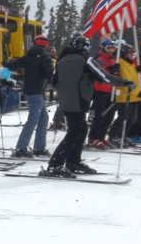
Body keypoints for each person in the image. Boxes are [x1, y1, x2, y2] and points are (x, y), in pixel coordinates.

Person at [42, 35, 130, 177]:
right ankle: (55, 165)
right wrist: (123, 82)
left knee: (81, 129)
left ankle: (73, 161)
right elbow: (103, 76)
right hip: (79, 100)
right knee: (75, 131)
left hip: (66, 101)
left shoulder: (62, 59)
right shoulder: (86, 60)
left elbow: (54, 81)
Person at [5, 35, 54, 157]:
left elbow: (14, 65)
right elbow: (49, 73)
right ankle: (21, 148)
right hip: (37, 91)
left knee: (43, 119)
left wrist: (6, 63)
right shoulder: (45, 57)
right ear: (45, 45)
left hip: (30, 90)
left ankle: (39, 147)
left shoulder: (29, 55)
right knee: (34, 119)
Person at [108, 42, 141, 147]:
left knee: (132, 119)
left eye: (133, 54)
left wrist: (139, 71)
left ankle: (123, 135)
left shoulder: (132, 65)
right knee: (123, 117)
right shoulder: (120, 63)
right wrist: (115, 70)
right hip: (124, 95)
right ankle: (114, 135)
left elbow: (135, 79)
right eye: (130, 53)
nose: (132, 56)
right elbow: (116, 76)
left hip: (134, 95)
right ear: (124, 54)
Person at [86, 38, 117, 148]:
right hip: (100, 90)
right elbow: (99, 72)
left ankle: (101, 137)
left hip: (110, 90)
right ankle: (93, 138)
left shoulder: (113, 59)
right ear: (103, 48)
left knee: (109, 116)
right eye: (109, 48)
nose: (111, 50)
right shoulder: (99, 58)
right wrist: (110, 69)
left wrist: (116, 71)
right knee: (99, 116)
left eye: (112, 48)